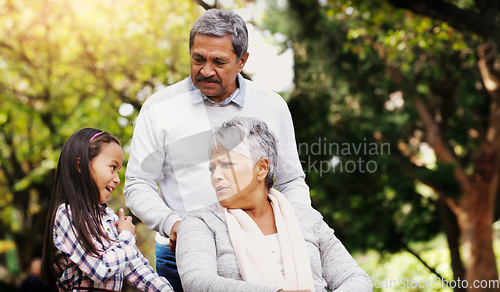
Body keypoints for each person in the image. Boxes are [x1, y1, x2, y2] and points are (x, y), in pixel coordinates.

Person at [124, 8, 310, 291]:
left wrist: (294, 231)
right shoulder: (158, 108)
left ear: (242, 61)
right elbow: (138, 183)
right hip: (182, 255)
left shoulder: (272, 106)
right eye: (198, 59)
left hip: (264, 250)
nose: (206, 70)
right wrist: (173, 224)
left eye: (219, 62)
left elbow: (291, 180)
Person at [176, 117, 373, 292]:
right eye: (212, 168)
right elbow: (197, 282)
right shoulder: (200, 223)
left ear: (261, 168)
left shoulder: (306, 218)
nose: (216, 176)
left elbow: (355, 278)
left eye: (227, 164)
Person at [41, 128, 173, 292]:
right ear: (81, 165)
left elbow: (138, 269)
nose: (117, 179)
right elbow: (100, 269)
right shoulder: (67, 214)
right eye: (112, 167)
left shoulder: (109, 218)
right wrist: (126, 236)